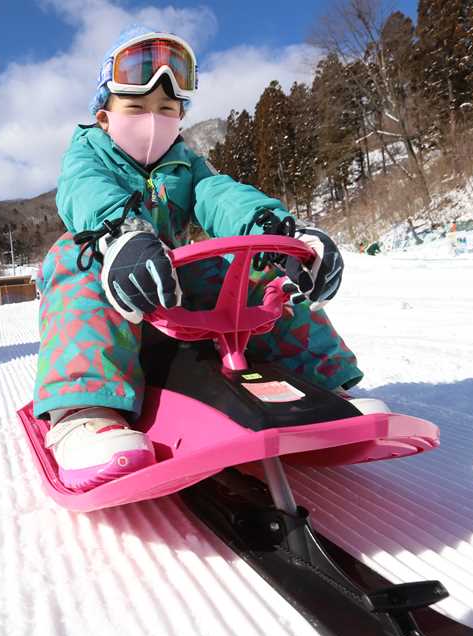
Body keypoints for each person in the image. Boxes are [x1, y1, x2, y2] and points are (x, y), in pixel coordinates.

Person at [35, 26, 376, 492]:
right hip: (118, 283)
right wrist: (120, 234)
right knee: (72, 257)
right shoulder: (87, 156)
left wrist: (278, 232)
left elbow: (220, 197)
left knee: (263, 268)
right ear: (103, 116)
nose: (151, 120)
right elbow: (83, 191)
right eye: (135, 108)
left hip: (173, 287)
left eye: (166, 110)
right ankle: (83, 411)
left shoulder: (187, 164)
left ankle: (321, 390)